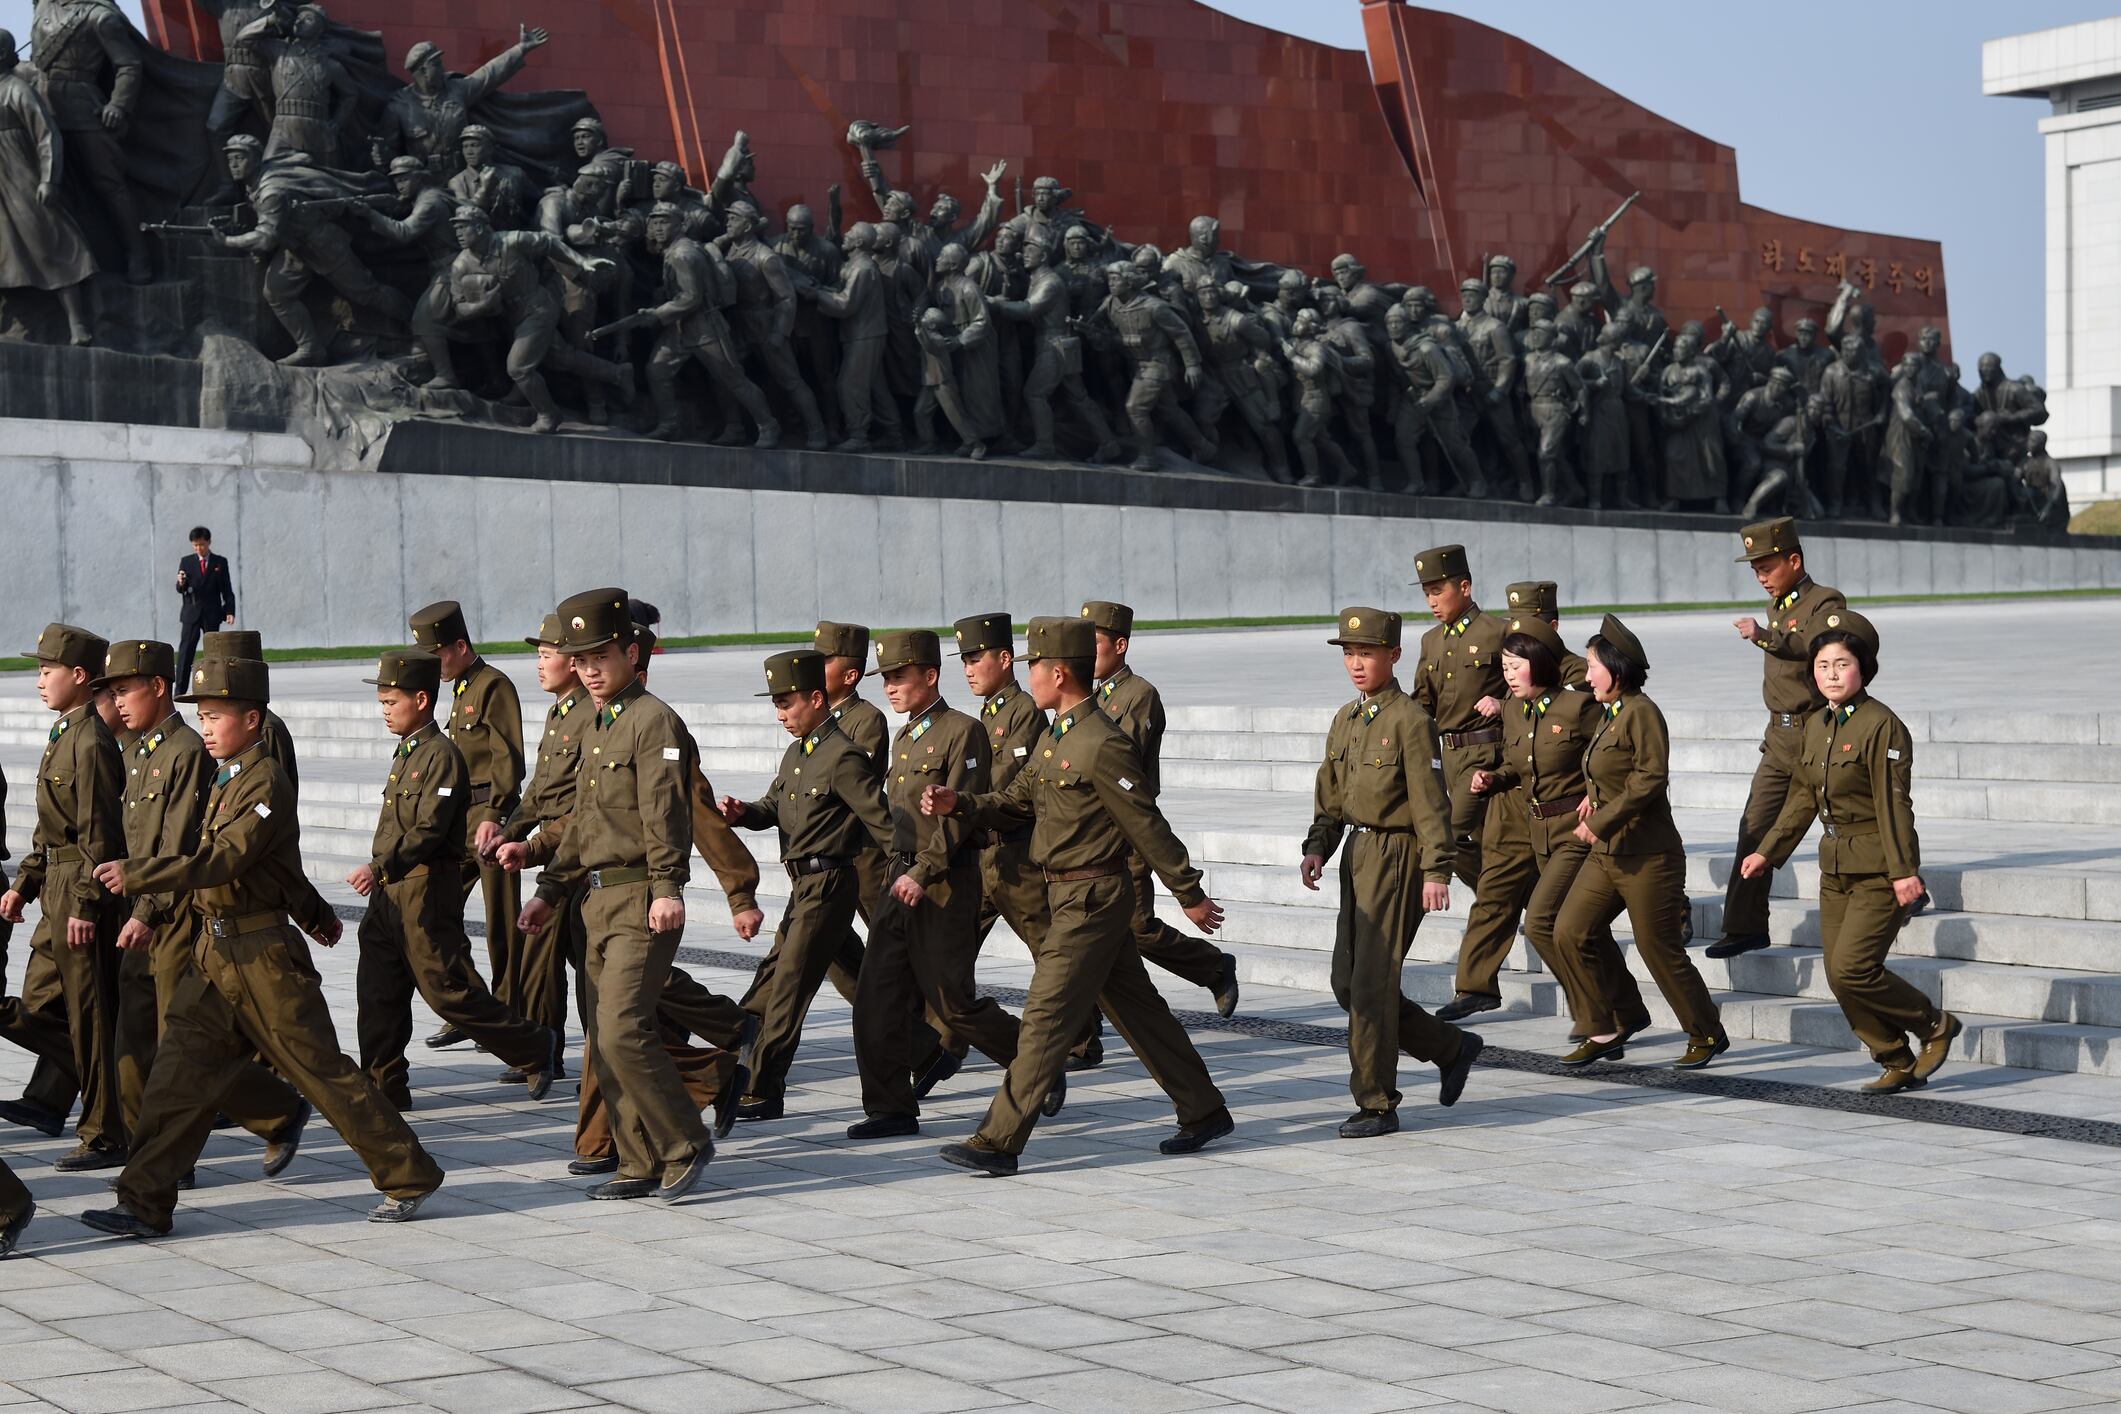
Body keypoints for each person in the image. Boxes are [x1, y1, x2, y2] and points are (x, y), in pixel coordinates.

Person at [77, 655, 444, 1237]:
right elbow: (280, 869)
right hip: (214, 957)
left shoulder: (265, 780)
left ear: (252, 719)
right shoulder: (226, 777)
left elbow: (230, 858)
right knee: (176, 1077)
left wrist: (140, 874)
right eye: (201, 714)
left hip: (263, 960)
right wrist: (318, 913)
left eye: (216, 715)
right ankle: (143, 1201)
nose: (205, 725)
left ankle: (409, 1173)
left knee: (322, 1071)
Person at [922, 616, 1233, 1175]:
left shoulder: (1101, 742)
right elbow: (1015, 801)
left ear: (1057, 672)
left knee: (1044, 1015)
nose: (1029, 673)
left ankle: (998, 1142)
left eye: (1035, 665)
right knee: (1140, 1012)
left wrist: (1189, 891)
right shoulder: (1056, 736)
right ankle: (1203, 1107)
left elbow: (1146, 823)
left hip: (1092, 897)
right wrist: (959, 805)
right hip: (1065, 893)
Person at [517, 590, 713, 1203]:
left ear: (632, 652)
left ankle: (685, 1142)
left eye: (600, 655)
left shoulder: (653, 720)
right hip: (596, 900)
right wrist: (548, 885)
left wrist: (669, 887)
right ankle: (638, 1160)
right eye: (579, 659)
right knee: (604, 1038)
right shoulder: (601, 724)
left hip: (639, 899)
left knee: (624, 1027)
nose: (589, 668)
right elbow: (584, 823)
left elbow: (668, 812)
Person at [98, 638, 306, 1168]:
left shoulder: (189, 751)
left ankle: (180, 1155)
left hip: (174, 915)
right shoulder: (144, 751)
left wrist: (147, 912)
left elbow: (186, 845)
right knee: (147, 1041)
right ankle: (150, 1155)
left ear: (158, 687)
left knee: (182, 1048)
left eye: (125, 690)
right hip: (146, 907)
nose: (118, 703)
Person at [1740, 611, 1960, 1093]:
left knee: (1853, 967)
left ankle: (1933, 1024)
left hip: (1879, 867)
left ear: (1863, 668)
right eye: (1822, 665)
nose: (1831, 674)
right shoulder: (1816, 724)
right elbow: (1801, 797)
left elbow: (1893, 804)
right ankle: (1894, 1056)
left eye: (1842, 664)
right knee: (1840, 977)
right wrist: (1768, 852)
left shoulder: (1882, 725)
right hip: (1834, 866)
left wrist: (1905, 872)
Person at [849, 631, 1047, 1137]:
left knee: (952, 1002)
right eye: (886, 679)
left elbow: (961, 816)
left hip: (945, 878)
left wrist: (924, 870)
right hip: (902, 872)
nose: (890, 688)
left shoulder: (964, 732)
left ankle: (1036, 1066)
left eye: (899, 677)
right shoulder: (905, 736)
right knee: (876, 992)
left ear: (929, 676)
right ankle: (889, 1107)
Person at [348, 649, 559, 1111]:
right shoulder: (406, 752)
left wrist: (378, 868)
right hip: (389, 895)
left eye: (391, 702)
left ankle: (533, 1045)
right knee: (377, 995)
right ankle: (385, 1089)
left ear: (422, 699)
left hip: (424, 891)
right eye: (381, 703)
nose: (384, 712)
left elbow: (428, 828)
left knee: (447, 993)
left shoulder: (442, 756)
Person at [1300, 608, 1482, 1138]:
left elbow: (1431, 804)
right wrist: (1317, 848)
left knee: (1372, 984)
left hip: (1398, 856)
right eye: (1349, 654)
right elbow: (1330, 800)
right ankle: (1449, 1048)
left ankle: (1377, 1102)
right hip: (1357, 855)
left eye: (1368, 653)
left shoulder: (1410, 720)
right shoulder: (1346, 719)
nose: (1356, 664)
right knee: (1346, 982)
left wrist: (1438, 872)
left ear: (1394, 656)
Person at [718, 650, 893, 1120]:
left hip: (830, 883)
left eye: (787, 703)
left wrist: (915, 871)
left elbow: (885, 821)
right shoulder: (800, 752)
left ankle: (763, 1087)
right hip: (803, 888)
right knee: (851, 976)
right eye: (776, 705)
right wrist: (742, 814)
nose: (781, 714)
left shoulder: (843, 756)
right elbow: (773, 807)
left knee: (788, 988)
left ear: (817, 699)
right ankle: (925, 1049)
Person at [1553, 616, 1727, 1068]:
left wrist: (1602, 818)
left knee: (1658, 950)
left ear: (1617, 667)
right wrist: (1594, 801)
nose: (1587, 675)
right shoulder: (1611, 714)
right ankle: (1610, 1023)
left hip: (1649, 856)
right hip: (1609, 853)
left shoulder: (1642, 711)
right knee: (1569, 931)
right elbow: (1613, 773)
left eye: (1593, 665)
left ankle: (1706, 1032)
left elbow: (1651, 777)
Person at [1465, 613, 1630, 1045]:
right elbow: (1520, 766)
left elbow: (1615, 755)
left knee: (1541, 922)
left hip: (1575, 833)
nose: (1509, 676)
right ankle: (1626, 1008)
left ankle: (1595, 1016)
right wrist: (1493, 778)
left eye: (1515, 667)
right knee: (1584, 930)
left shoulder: (1578, 708)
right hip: (1537, 831)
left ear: (1538, 663)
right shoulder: (1516, 712)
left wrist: (1596, 794)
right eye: (1504, 668)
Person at [0, 624, 127, 1171]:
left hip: (78, 889)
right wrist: (24, 883)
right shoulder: (64, 733)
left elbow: (98, 835)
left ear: (79, 676)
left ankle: (104, 1133)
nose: (39, 681)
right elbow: (52, 831)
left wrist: (85, 904)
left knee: (92, 1016)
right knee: (39, 1007)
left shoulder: (92, 740)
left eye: (47, 671)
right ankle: (72, 1090)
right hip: (54, 883)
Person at [1081, 602, 1240, 1018]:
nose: (1085, 653)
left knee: (1138, 928)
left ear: (1120, 645)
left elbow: (1120, 763)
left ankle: (1213, 966)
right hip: (1090, 834)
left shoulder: (1139, 695)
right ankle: (1084, 1033)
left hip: (1127, 832)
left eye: (1093, 644)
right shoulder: (1089, 696)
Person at [1713, 518, 1846, 960]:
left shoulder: (1825, 600)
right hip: (1779, 737)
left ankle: (1903, 887)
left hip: (1816, 733)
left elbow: (1813, 645)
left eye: (1767, 566)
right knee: (1754, 825)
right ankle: (1745, 926)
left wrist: (1764, 637)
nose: (1761, 576)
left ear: (1794, 560)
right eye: (1755, 569)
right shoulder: (1779, 604)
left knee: (1847, 816)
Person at [409, 601, 533, 1056]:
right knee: (438, 914)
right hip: (458, 824)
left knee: (502, 926)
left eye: (437, 654)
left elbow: (508, 758)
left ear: (460, 646)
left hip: (488, 822)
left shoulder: (493, 685)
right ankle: (473, 1006)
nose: (433, 664)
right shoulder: (460, 687)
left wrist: (495, 817)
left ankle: (507, 1016)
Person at [1405, 548, 1507, 1021]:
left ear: (1464, 588)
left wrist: (1502, 700)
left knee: (1449, 830)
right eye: (1426, 591)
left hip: (1487, 753)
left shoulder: (1499, 631)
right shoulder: (1429, 641)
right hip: (1447, 755)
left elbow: (1539, 679)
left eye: (1437, 589)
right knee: (1496, 866)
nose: (1431, 599)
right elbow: (1420, 702)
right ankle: (1505, 893)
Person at [174, 528, 236, 690]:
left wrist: (229, 611)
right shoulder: (186, 561)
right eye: (195, 545)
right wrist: (180, 582)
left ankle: (213, 687)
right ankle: (180, 690)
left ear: (208, 542)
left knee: (213, 652)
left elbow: (227, 589)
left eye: (201, 544)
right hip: (191, 613)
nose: (198, 548)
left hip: (212, 613)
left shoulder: (219, 562)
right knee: (185, 652)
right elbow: (181, 588)